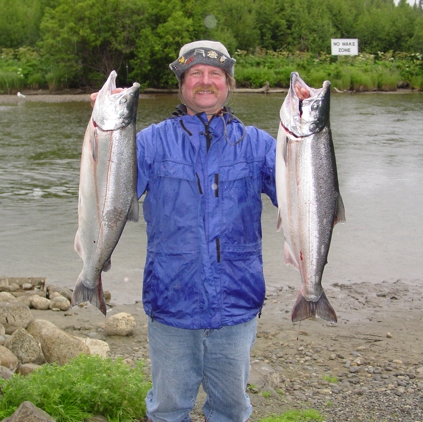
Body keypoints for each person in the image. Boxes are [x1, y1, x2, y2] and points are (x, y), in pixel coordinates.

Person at [92, 40, 280, 422]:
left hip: (237, 303)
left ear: (228, 84)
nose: (205, 81)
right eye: (195, 73)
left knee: (231, 409)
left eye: (215, 74)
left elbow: (302, 199)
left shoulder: (259, 145)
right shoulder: (148, 142)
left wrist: (311, 147)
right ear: (181, 83)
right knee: (167, 408)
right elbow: (107, 190)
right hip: (172, 302)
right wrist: (102, 133)